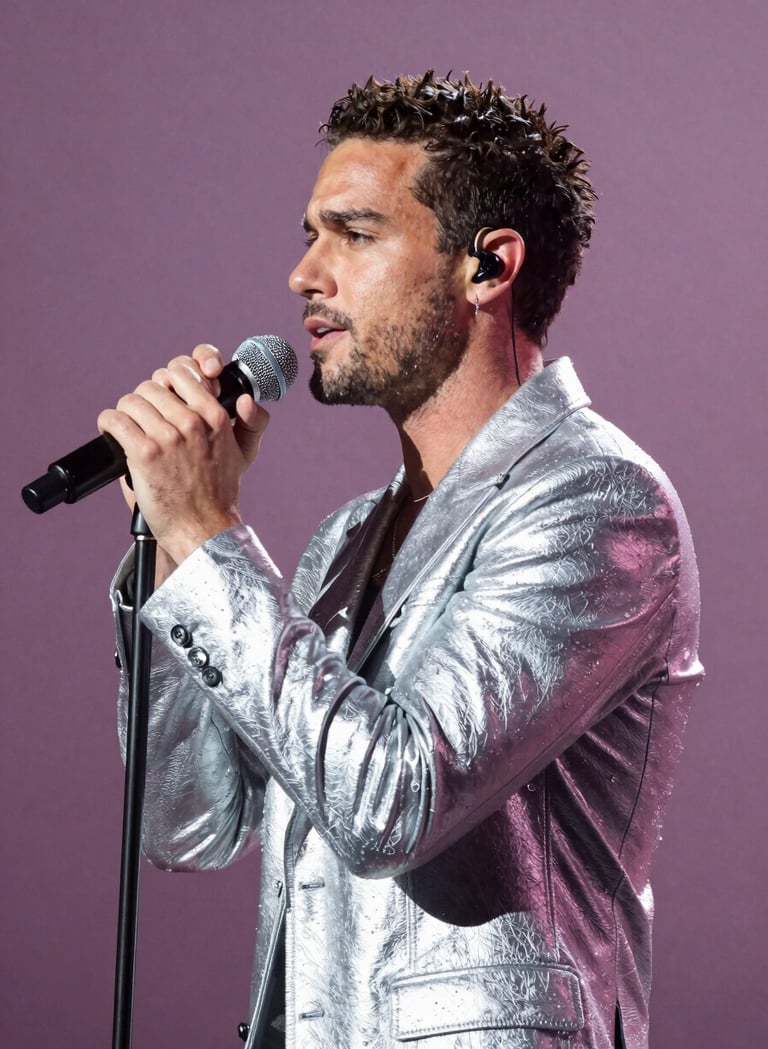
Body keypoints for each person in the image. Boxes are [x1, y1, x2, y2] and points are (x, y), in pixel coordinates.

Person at [100, 72, 702, 1049]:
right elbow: (187, 824)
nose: (305, 275)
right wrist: (176, 548)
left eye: (356, 233)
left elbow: (391, 802)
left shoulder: (600, 502)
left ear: (488, 267)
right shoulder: (345, 541)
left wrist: (213, 538)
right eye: (310, 233)